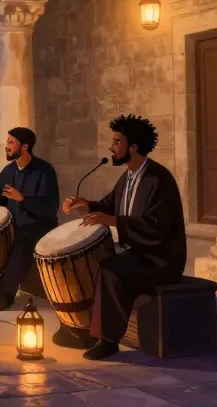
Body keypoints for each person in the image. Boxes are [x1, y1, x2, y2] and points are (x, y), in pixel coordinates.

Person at [63, 114, 186, 361]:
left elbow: (156, 228)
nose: (111, 147)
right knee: (100, 261)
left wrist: (112, 222)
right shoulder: (128, 177)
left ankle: (107, 341)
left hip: (160, 258)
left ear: (134, 147)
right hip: (138, 253)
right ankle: (85, 328)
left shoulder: (158, 179)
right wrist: (85, 204)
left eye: (117, 142)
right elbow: (108, 205)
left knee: (110, 268)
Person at [0, 127, 60, 311]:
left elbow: (50, 207)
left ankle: (5, 294)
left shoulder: (44, 171)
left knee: (21, 243)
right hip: (14, 224)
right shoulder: (9, 170)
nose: (7, 146)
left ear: (25, 147)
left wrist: (22, 199)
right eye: (7, 142)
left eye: (11, 142)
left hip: (38, 226)